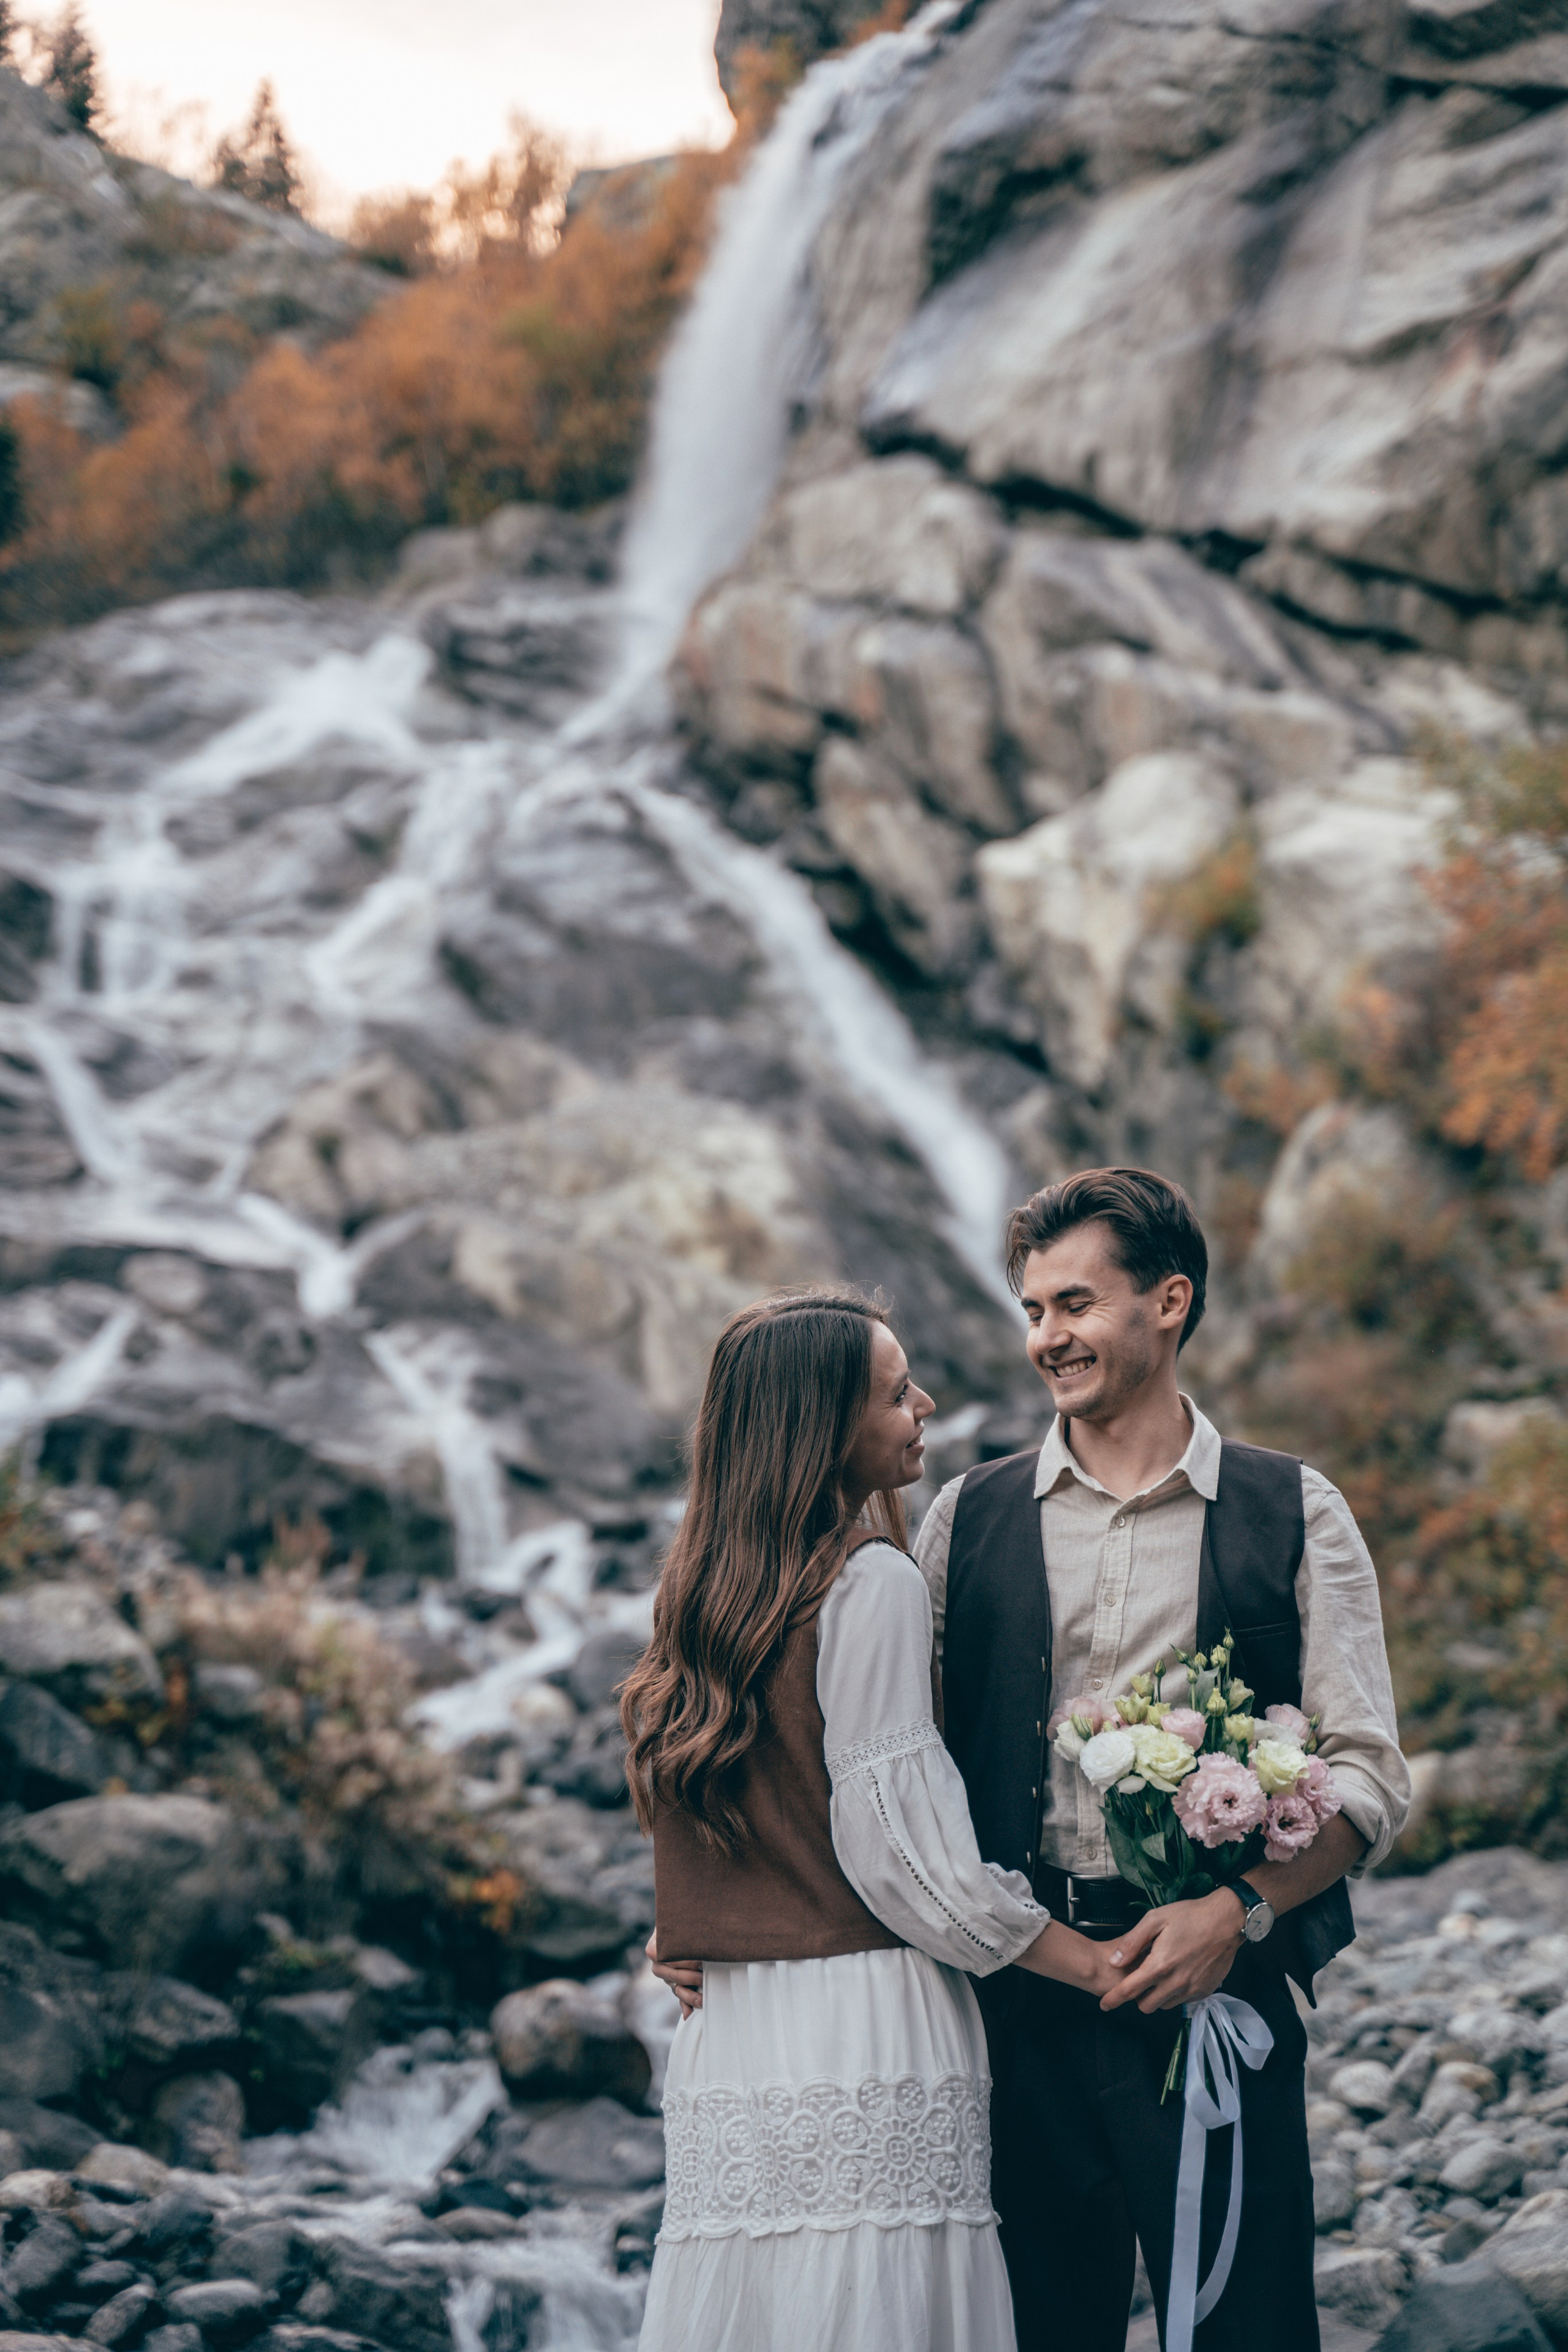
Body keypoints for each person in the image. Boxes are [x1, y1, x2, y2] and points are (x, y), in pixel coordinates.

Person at [909, 1168, 1411, 2352]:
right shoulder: (962, 1519)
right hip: (1012, 2002)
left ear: (1169, 1301)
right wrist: (717, 1923)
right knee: (1033, 2329)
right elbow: (885, 1778)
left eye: (1075, 1304)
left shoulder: (1295, 1509)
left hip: (1217, 1997)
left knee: (1250, 2327)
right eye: (1033, 1311)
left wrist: (1237, 1910)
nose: (1048, 1338)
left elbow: (1369, 1774)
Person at [624, 1289, 1134, 2352]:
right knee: (880, 2303)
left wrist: (680, 1931)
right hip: (865, 2014)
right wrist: (1090, 1966)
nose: (925, 1405)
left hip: (736, 2031)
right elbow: (903, 1855)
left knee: (759, 2305)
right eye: (897, 1392)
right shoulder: (869, 1582)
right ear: (822, 1427)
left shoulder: (699, 1599)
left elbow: (730, 1818)